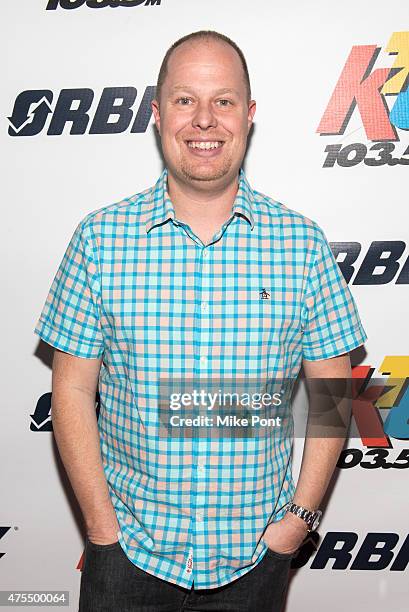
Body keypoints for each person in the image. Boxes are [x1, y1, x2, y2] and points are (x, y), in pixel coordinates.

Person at [34, 30, 367, 612]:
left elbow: (334, 395)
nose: (205, 121)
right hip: (127, 558)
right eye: (186, 100)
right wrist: (101, 530)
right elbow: (71, 389)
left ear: (249, 115)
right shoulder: (100, 239)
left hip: (256, 560)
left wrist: (300, 519)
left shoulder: (301, 245)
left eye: (224, 101)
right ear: (159, 115)